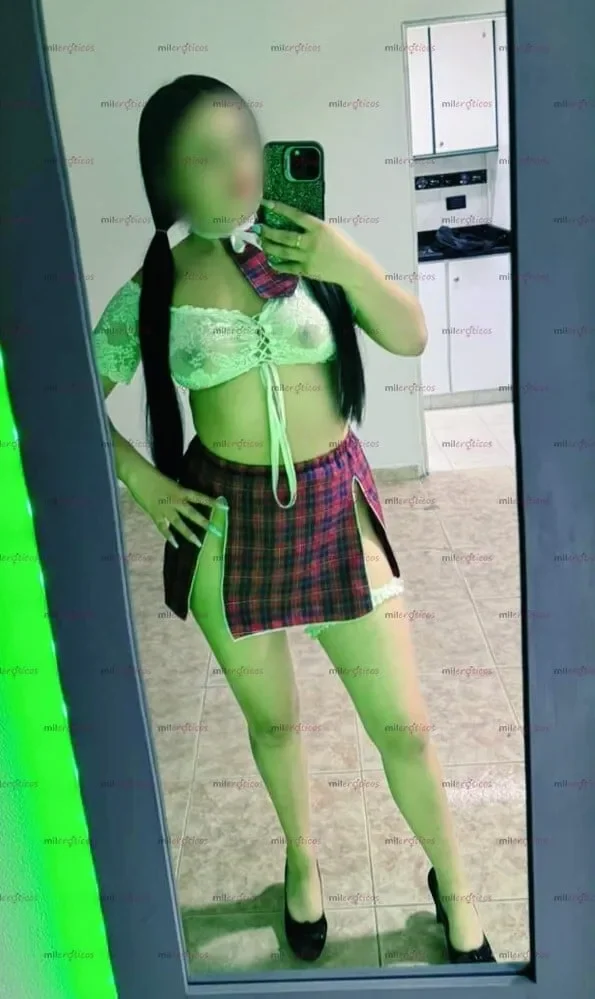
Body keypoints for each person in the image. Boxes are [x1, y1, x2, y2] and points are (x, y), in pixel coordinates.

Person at [92, 74, 495, 966]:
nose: (236, 166)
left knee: (404, 726)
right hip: (225, 524)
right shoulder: (156, 286)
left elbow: (410, 334)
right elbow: (68, 388)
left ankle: (456, 884)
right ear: (165, 180)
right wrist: (143, 483)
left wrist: (342, 259)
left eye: (243, 140)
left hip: (335, 507)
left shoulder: (308, 247)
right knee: (273, 723)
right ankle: (302, 859)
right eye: (204, 155)